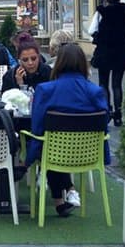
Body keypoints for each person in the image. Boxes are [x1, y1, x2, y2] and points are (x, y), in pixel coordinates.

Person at [28, 43, 110, 217]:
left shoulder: (45, 90)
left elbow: (37, 126)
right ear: (83, 63)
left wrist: (29, 153)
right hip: (88, 153)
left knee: (47, 144)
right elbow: (103, 122)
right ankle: (63, 198)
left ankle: (56, 192)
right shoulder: (95, 91)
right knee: (52, 144)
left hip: (53, 151)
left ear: (58, 63)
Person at [89, 0, 125, 126]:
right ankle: (118, 115)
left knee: (103, 83)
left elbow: (91, 30)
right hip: (121, 52)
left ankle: (106, 110)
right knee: (117, 84)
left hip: (104, 52)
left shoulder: (102, 11)